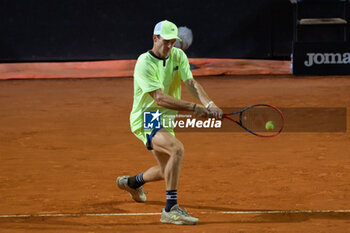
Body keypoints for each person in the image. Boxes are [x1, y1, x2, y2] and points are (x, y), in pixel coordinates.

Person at [117, 20, 223, 225]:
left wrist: (209, 104)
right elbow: (159, 98)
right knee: (177, 150)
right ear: (155, 38)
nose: (170, 46)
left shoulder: (178, 55)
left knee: (167, 170)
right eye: (166, 42)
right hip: (147, 116)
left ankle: (132, 183)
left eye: (173, 42)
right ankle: (170, 209)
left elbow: (190, 82)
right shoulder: (144, 63)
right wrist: (194, 108)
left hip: (166, 118)